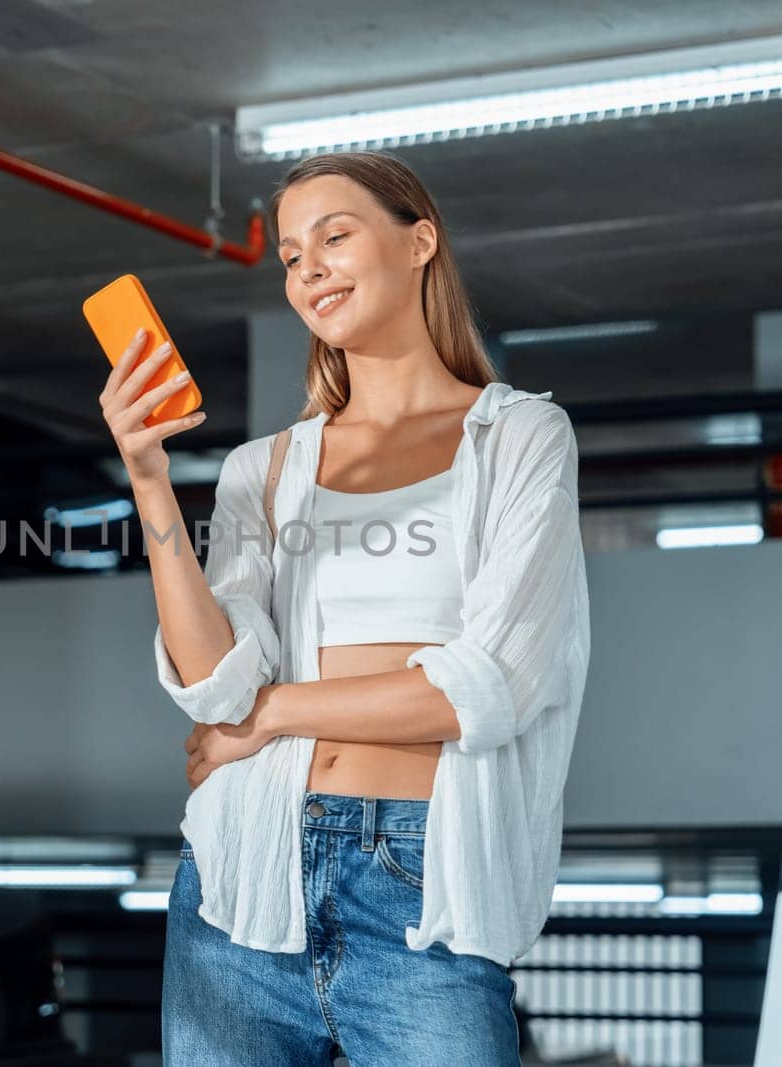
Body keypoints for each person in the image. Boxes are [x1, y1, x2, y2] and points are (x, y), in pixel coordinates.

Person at [98, 150, 591, 1066]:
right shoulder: (263, 469)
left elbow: (482, 689)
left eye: (334, 235)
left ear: (419, 242)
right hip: (243, 876)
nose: (309, 267)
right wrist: (149, 477)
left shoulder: (520, 437)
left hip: (424, 881)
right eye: (290, 256)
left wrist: (270, 712)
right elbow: (214, 684)